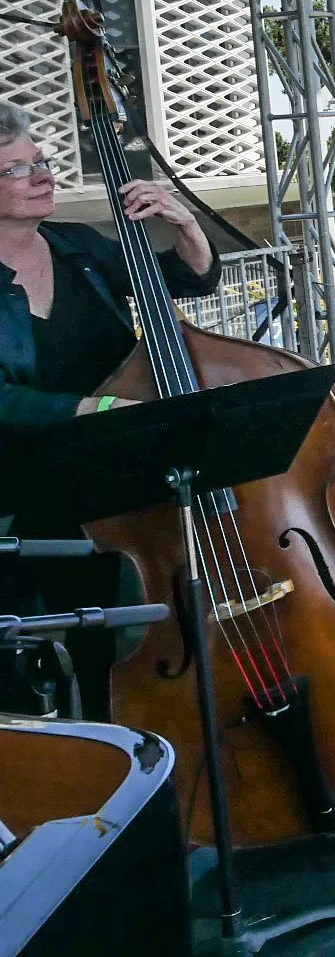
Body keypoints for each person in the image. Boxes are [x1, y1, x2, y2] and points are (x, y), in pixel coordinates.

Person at [0, 98, 219, 717]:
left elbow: (185, 278)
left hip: (123, 484)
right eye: (16, 169)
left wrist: (188, 230)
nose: (42, 175)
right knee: (55, 659)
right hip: (28, 504)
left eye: (40, 160)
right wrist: (91, 408)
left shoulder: (78, 247)